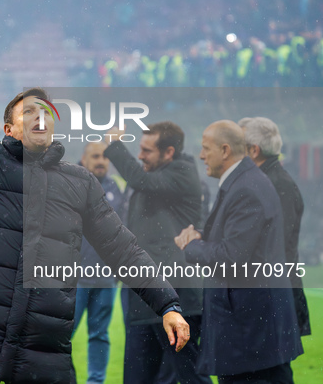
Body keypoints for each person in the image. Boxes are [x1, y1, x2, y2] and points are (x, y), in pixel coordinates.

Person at [0, 18, 190, 384]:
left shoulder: (80, 183)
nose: (40, 117)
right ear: (8, 128)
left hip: (40, 352)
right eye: (29, 111)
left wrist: (165, 303)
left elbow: (122, 248)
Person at [175, 120, 303, 383]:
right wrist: (202, 237)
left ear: (225, 150)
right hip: (254, 331)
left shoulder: (246, 188)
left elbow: (232, 259)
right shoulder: (245, 182)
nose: (201, 156)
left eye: (205, 148)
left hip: (249, 335)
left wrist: (191, 245)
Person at [104, 121, 210, 384]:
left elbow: (140, 179)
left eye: (147, 150)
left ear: (169, 152)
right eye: (139, 149)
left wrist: (115, 146)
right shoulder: (152, 178)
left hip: (177, 293)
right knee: (137, 375)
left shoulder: (182, 172)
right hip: (146, 292)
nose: (140, 155)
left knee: (187, 373)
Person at [238, 116, 310, 337]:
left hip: (273, 298)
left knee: (271, 370)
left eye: (236, 145)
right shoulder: (267, 181)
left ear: (253, 151)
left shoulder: (277, 186)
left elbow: (272, 248)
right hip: (270, 295)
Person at [72, 142, 124, 384]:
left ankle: (96, 381)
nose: (101, 161)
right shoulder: (72, 183)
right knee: (62, 334)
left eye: (104, 157)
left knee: (100, 335)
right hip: (73, 278)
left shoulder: (115, 188)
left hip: (105, 278)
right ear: (84, 158)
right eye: (95, 156)